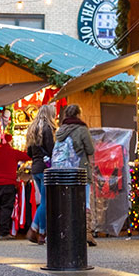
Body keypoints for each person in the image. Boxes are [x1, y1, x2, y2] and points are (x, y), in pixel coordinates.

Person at [54, 104, 97, 247]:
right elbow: (90, 149)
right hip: (80, 170)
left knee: (67, 202)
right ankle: (86, 234)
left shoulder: (60, 131)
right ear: (78, 114)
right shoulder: (82, 129)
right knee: (85, 202)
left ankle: (67, 233)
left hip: (63, 172)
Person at [0, 133, 29, 240]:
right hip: (8, 184)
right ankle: (3, 232)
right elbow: (27, 156)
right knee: (6, 208)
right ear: (10, 141)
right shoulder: (13, 152)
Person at [25, 104, 57, 245]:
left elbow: (29, 153)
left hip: (35, 168)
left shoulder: (32, 129)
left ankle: (39, 231)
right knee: (45, 202)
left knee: (43, 202)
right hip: (45, 168)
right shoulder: (47, 129)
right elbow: (51, 150)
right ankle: (37, 230)